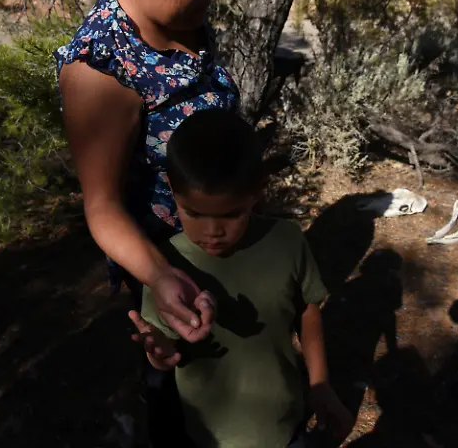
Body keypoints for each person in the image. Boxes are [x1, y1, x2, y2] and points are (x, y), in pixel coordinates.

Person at [53, 0, 238, 444]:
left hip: (225, 244)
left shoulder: (180, 17)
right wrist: (161, 276)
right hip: (174, 277)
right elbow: (103, 207)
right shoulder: (100, 69)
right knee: (183, 402)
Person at [128, 109, 355, 447]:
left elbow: (308, 311)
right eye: (193, 213)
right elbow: (163, 345)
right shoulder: (165, 265)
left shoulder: (287, 241)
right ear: (173, 191)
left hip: (282, 424)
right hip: (203, 434)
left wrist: (320, 383)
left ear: (257, 191)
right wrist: (158, 353)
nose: (212, 231)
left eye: (231, 214)